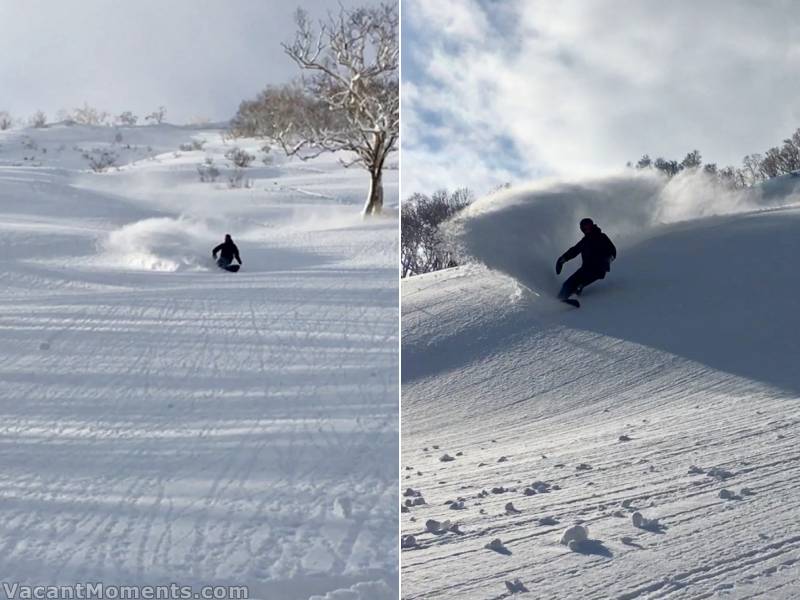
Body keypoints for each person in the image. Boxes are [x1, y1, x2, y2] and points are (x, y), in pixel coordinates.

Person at [555, 218, 616, 305]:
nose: (586, 229)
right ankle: (560, 300)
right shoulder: (585, 241)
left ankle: (574, 296)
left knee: (579, 284)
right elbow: (574, 250)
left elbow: (613, 251)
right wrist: (562, 259)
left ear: (592, 226)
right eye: (584, 228)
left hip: (598, 269)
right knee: (568, 283)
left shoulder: (601, 237)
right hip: (586, 268)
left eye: (588, 227)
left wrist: (608, 260)